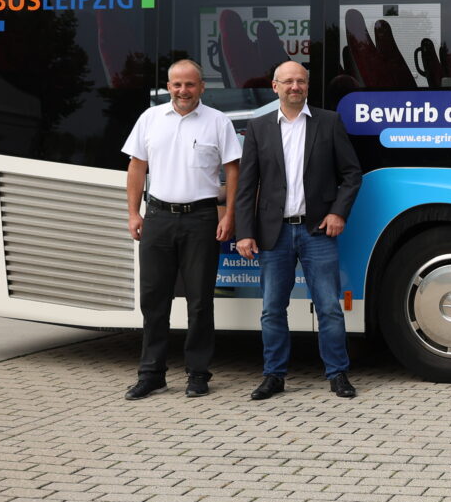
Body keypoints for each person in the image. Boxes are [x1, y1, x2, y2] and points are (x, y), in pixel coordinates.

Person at [235, 60, 364, 400]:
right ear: (275, 86)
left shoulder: (329, 122)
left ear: (308, 86)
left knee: (329, 307)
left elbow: (352, 174)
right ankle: (273, 376)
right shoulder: (259, 127)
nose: (295, 87)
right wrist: (244, 232)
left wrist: (339, 213)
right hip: (273, 234)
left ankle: (337, 374)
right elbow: (247, 187)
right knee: (272, 309)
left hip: (317, 232)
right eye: (288, 81)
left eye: (301, 81)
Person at [122, 58, 241, 400]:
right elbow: (136, 167)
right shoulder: (150, 119)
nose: (183, 90)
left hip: (201, 219)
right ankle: (151, 373)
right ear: (168, 87)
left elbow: (233, 171)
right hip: (157, 217)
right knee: (154, 300)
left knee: (200, 301)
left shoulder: (218, 122)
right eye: (177, 84)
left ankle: (198, 373)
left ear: (202, 87)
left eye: (190, 84)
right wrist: (133, 212)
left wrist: (229, 214)